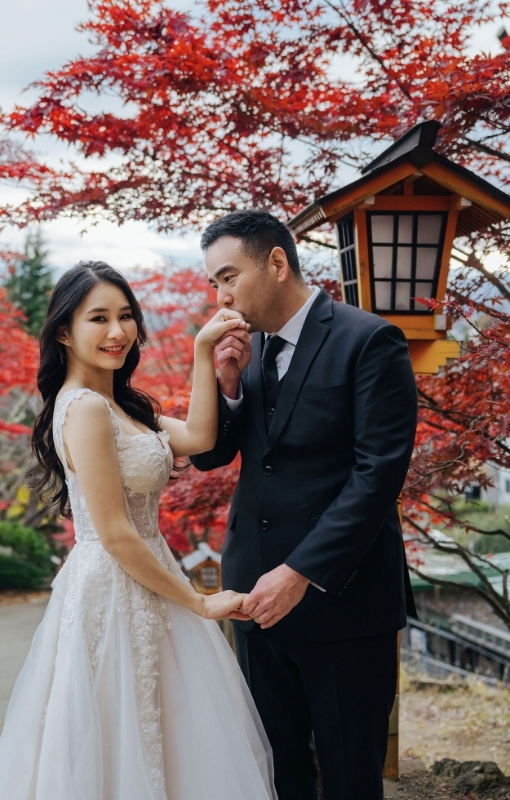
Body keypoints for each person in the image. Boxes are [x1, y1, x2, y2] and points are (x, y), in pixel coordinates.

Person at [0, 262, 277, 799]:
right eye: (98, 318)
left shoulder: (123, 406)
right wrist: (199, 602)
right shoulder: (85, 409)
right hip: (114, 581)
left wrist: (202, 352)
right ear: (64, 332)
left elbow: (204, 436)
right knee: (122, 731)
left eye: (126, 317)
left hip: (150, 570)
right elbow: (115, 534)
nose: (117, 333)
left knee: (160, 727)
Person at [191, 210, 418, 800]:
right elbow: (212, 458)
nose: (221, 296)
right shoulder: (249, 348)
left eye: (228, 276)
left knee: (348, 777)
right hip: (254, 600)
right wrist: (230, 387)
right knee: (273, 771)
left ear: (275, 262)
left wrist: (301, 572)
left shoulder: (368, 340)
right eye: (213, 283)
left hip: (344, 602)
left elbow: (377, 477)